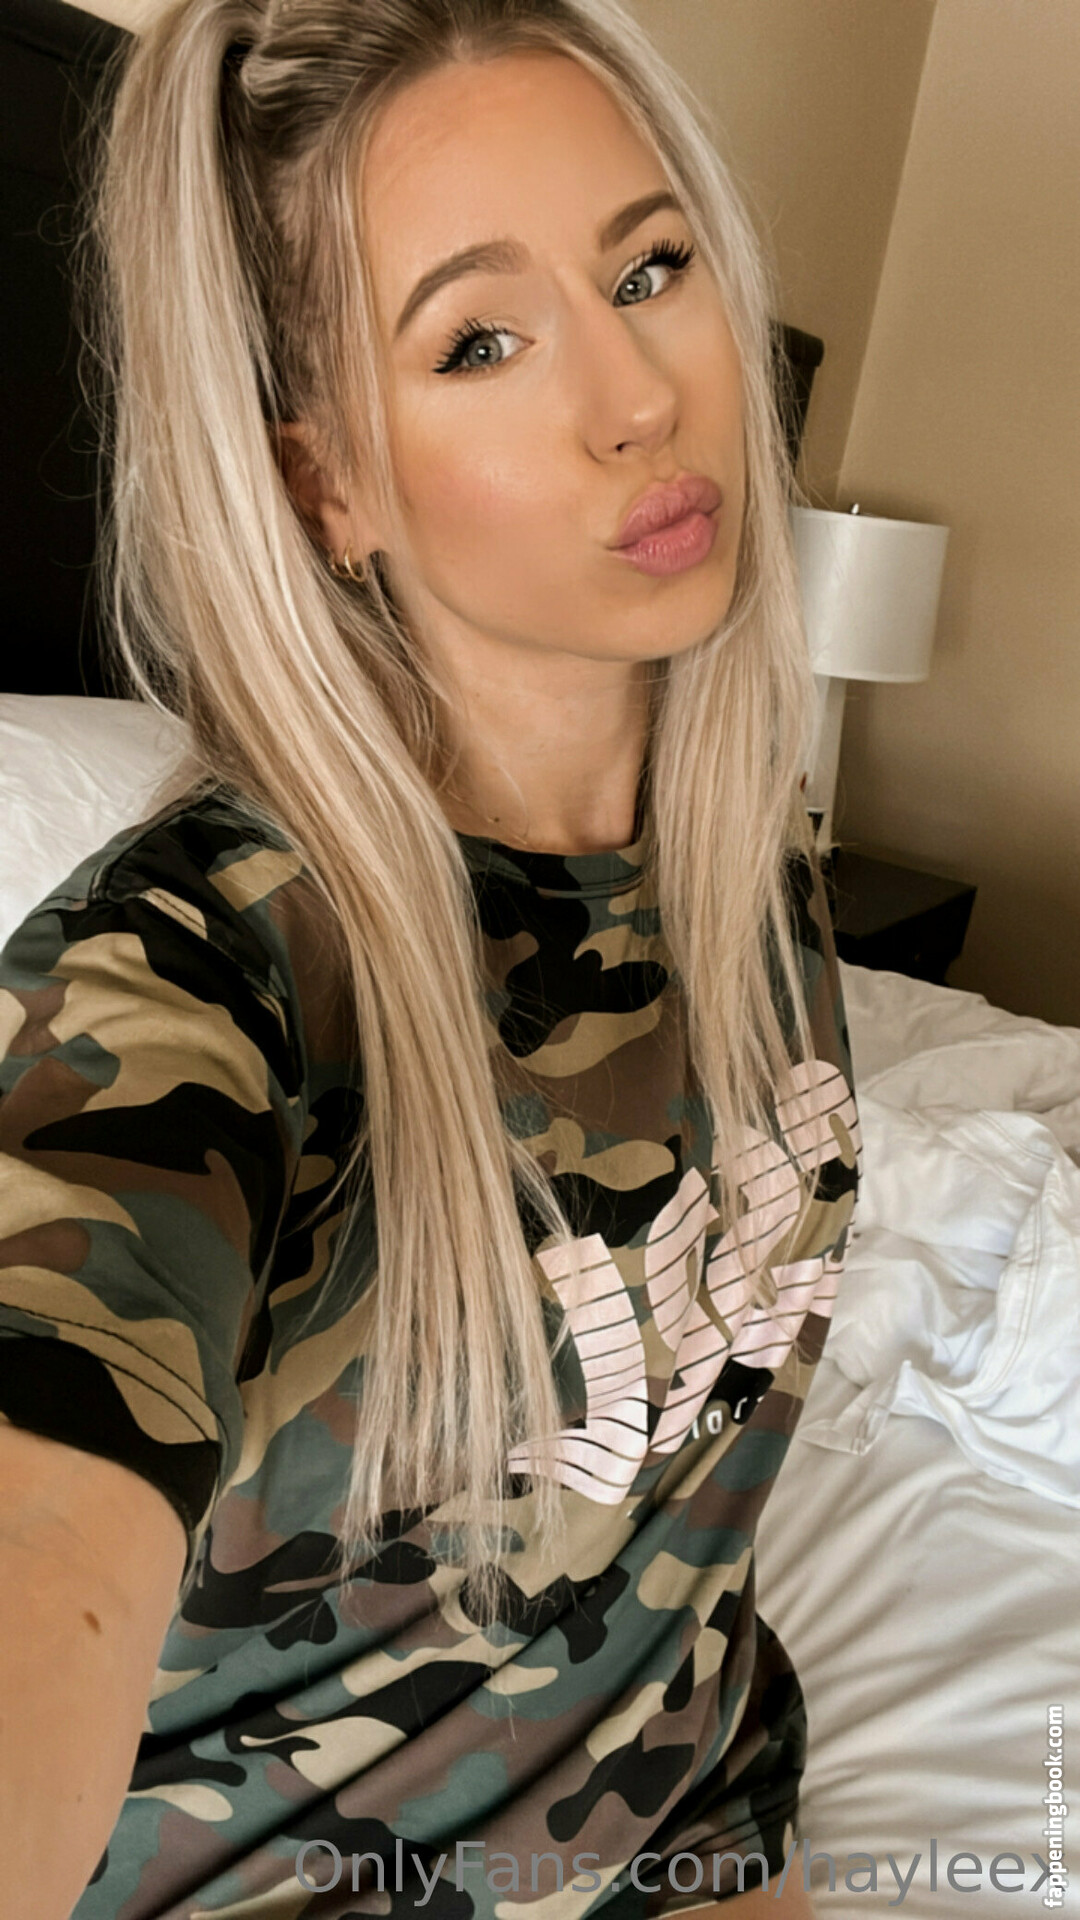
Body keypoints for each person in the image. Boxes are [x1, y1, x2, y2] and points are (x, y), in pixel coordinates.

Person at [0, 1, 861, 1916]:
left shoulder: (748, 860)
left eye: (649, 268)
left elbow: (685, 1507)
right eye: (480, 340)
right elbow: (44, 1508)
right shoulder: (190, 987)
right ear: (329, 486)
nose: (638, 397)